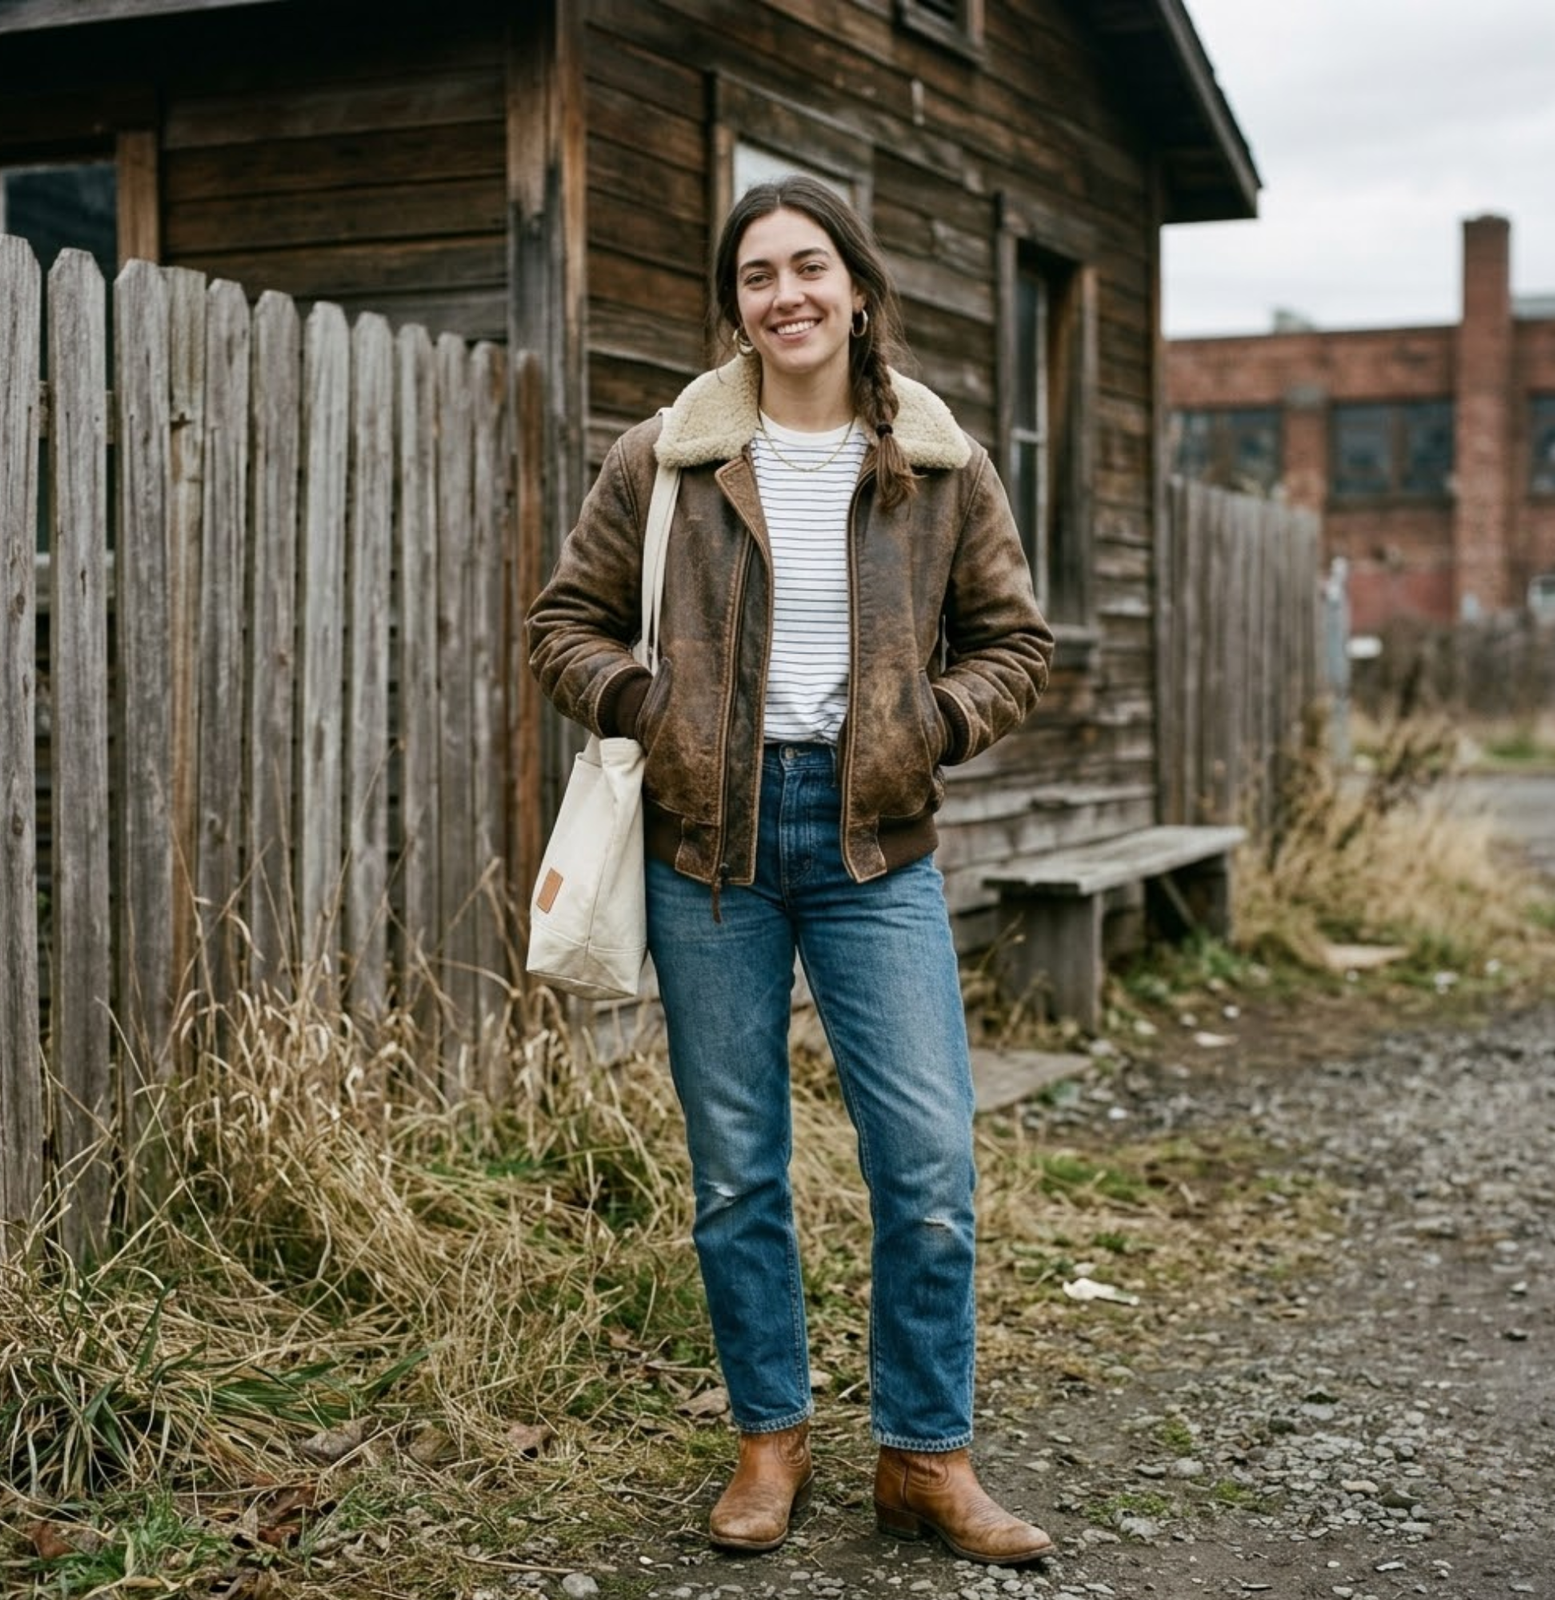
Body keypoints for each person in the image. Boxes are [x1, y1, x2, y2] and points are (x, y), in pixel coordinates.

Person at [526, 175, 1055, 1564]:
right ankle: (770, 1442)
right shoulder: (668, 458)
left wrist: (933, 722)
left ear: (859, 289)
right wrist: (651, 710)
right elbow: (563, 625)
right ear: (736, 308)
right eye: (758, 275)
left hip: (879, 843)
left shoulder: (941, 462)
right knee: (736, 1171)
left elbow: (1017, 642)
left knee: (930, 1162)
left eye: (810, 267)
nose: (788, 294)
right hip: (714, 847)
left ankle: (925, 1457)